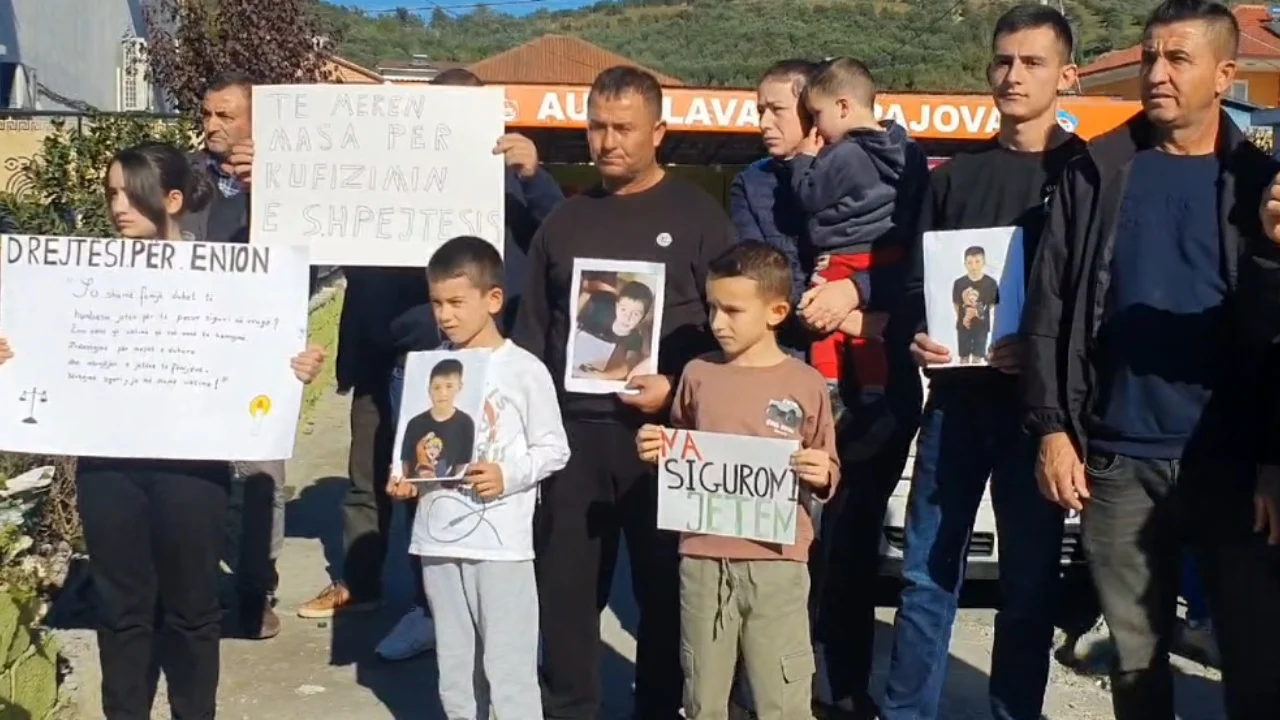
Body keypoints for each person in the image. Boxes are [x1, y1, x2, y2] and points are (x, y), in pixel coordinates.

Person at [0, 141, 325, 719]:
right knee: (121, 611)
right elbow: (49, 346)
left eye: (132, 194)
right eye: (111, 194)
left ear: (173, 200)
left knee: (192, 612)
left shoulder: (227, 278)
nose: (118, 207)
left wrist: (293, 366)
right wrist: (14, 354)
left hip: (191, 471)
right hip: (108, 470)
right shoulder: (80, 277)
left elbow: (256, 348)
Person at [1023, 2, 1280, 717]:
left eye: (1178, 59)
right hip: (1117, 459)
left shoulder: (1261, 183)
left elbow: (1275, 336)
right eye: (1149, 57)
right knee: (1136, 667)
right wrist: (1052, 428)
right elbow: (1049, 307)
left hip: (1234, 465)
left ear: (1225, 74)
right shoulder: (1098, 170)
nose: (1157, 73)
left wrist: (1275, 460)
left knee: (1258, 663)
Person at [293, 67, 564, 666]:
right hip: (389, 356)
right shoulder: (389, 175)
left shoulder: (509, 180)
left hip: (471, 364)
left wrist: (534, 175)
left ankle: (474, 613)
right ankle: (384, 592)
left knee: (463, 485)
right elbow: (331, 235)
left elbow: (563, 237)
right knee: (382, 483)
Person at [512, 65, 735, 720]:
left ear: (658, 131)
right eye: (597, 127)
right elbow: (533, 337)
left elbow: (732, 331)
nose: (607, 141)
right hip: (573, 439)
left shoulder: (699, 217)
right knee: (566, 598)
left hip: (664, 440)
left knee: (664, 597)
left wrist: (676, 386)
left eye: (623, 128)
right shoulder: (565, 222)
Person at [882, 6, 1083, 720]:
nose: (1013, 75)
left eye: (1032, 62)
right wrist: (921, 333)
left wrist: (1039, 349)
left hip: (1041, 417)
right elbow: (916, 285)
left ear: (1067, 76)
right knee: (925, 579)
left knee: (1028, 590)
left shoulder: (1088, 174)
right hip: (956, 406)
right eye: (1003, 60)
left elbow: (1095, 297)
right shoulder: (955, 178)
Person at [634, 241, 837, 720]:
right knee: (702, 694)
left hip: (777, 561)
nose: (718, 322)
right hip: (703, 558)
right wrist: (657, 452)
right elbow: (683, 449)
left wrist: (822, 473)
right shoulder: (697, 374)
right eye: (712, 308)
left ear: (776, 312)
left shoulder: (804, 382)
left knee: (781, 697)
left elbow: (827, 460)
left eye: (732, 310)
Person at [385, 235, 570, 719]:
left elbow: (554, 448)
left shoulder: (524, 369)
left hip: (501, 544)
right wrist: (402, 478)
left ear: (493, 299)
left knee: (508, 666)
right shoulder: (428, 368)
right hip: (437, 539)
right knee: (455, 666)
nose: (445, 315)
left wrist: (508, 474)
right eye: (436, 303)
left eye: (456, 302)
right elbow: (411, 445)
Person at [179, 70, 289, 642]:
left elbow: (310, 261)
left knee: (260, 478)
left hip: (259, 352)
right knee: (194, 473)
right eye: (207, 113)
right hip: (191, 347)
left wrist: (264, 191)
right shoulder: (181, 178)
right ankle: (196, 588)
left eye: (226, 115)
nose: (212, 124)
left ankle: (255, 593)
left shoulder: (286, 181)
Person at [791, 56, 928, 438]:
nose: (816, 127)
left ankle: (828, 386)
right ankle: (873, 389)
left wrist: (804, 160)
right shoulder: (910, 150)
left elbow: (809, 196)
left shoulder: (845, 154)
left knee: (822, 317)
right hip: (887, 253)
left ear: (843, 106)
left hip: (843, 251)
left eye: (817, 115)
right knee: (869, 331)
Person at [399, 359, 476, 480]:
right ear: (429, 390)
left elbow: (462, 466)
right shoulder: (414, 423)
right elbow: (406, 466)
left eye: (449, 386)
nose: (443, 393)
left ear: (459, 387)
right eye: (436, 387)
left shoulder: (465, 423)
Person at [952, 246, 999, 364]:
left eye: (977, 261)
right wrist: (965, 317)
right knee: (964, 357)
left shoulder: (991, 283)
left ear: (984, 262)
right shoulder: (959, 283)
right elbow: (956, 304)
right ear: (965, 264)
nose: (974, 266)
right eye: (970, 262)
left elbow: (992, 305)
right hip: (963, 327)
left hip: (982, 327)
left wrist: (979, 313)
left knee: (978, 357)